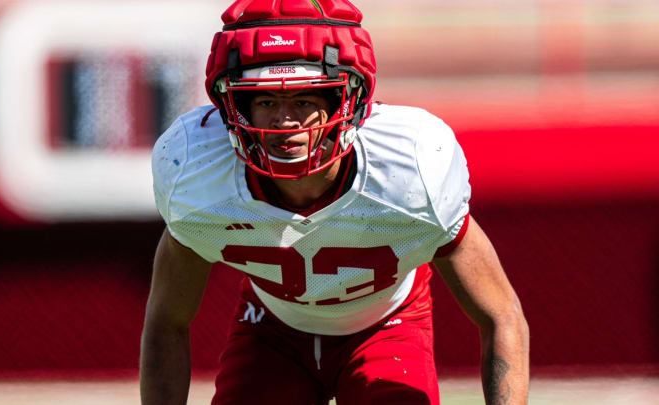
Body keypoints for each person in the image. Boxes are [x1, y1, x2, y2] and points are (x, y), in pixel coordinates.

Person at [140, 0, 529, 404]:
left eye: (304, 102)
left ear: (346, 103)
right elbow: (167, 319)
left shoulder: (409, 173)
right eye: (266, 101)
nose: (283, 121)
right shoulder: (197, 174)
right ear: (234, 106)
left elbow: (500, 315)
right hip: (270, 328)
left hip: (388, 323)